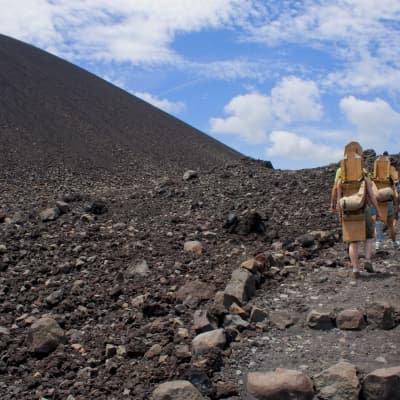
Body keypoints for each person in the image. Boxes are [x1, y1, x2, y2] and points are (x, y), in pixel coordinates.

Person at [336, 148, 382, 278]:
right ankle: (367, 260)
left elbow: (339, 199)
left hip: (348, 211)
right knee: (369, 236)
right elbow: (372, 196)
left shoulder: (341, 178)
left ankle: (355, 269)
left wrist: (340, 215)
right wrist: (378, 211)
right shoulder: (363, 175)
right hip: (363, 210)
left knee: (353, 242)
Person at [374, 152, 399, 250]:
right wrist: (396, 206)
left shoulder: (374, 178)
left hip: (378, 203)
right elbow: (395, 195)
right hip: (388, 202)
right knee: (390, 225)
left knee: (378, 223)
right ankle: (394, 243)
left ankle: (378, 243)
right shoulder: (390, 179)